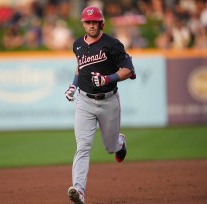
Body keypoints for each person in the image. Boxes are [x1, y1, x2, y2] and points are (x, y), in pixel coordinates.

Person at [65, 6, 136, 204]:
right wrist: (72, 85)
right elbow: (81, 68)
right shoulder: (78, 44)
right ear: (83, 23)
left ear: (101, 23)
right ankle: (78, 191)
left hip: (109, 101)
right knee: (83, 146)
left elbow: (128, 70)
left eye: (94, 21)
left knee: (110, 147)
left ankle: (120, 143)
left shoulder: (112, 44)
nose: (91, 25)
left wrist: (108, 79)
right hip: (84, 101)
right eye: (88, 22)